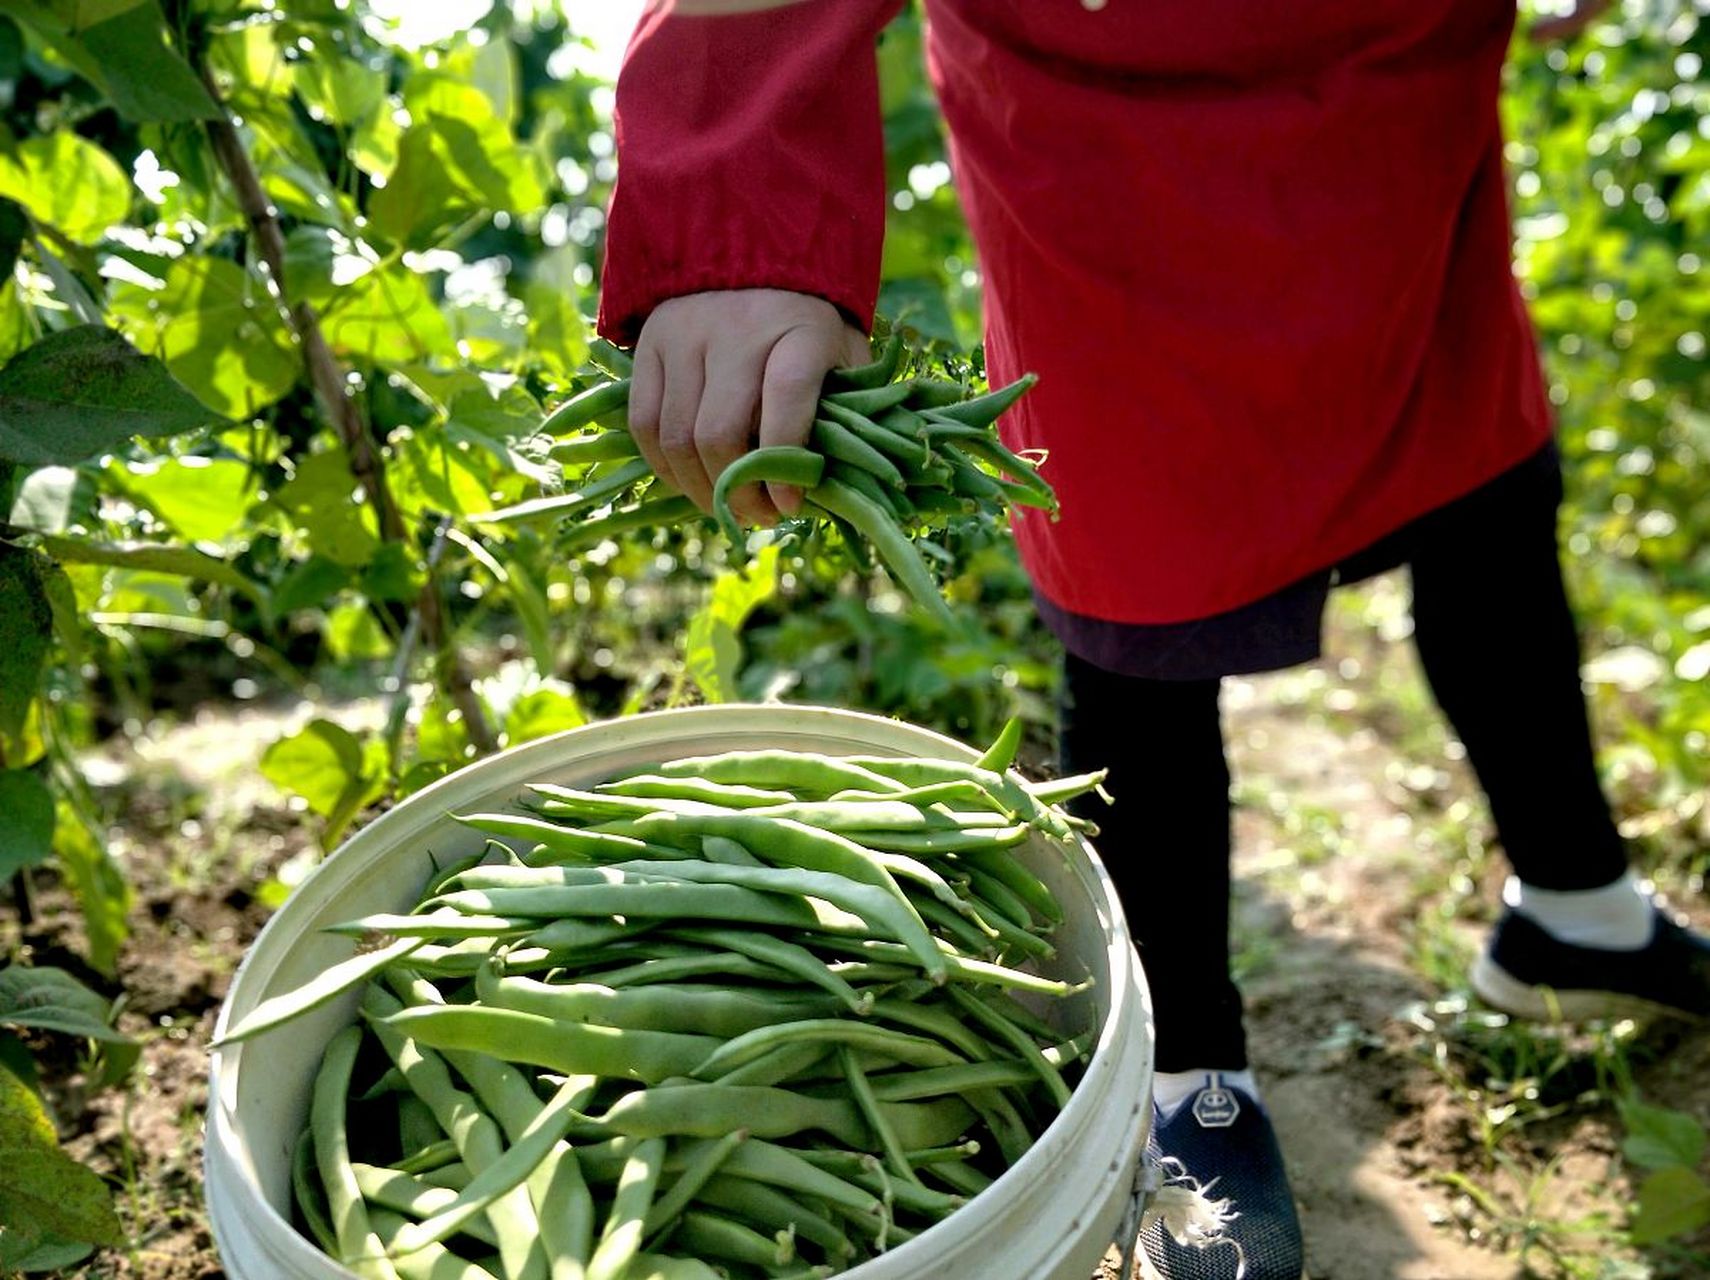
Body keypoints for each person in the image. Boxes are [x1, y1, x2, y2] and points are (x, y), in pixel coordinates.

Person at [595, 2, 1710, 1276]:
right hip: (1106, 94)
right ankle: (1184, 1077)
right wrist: (736, 192)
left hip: (1396, 68)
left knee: (1478, 464)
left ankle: (1577, 907)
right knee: (1137, 550)